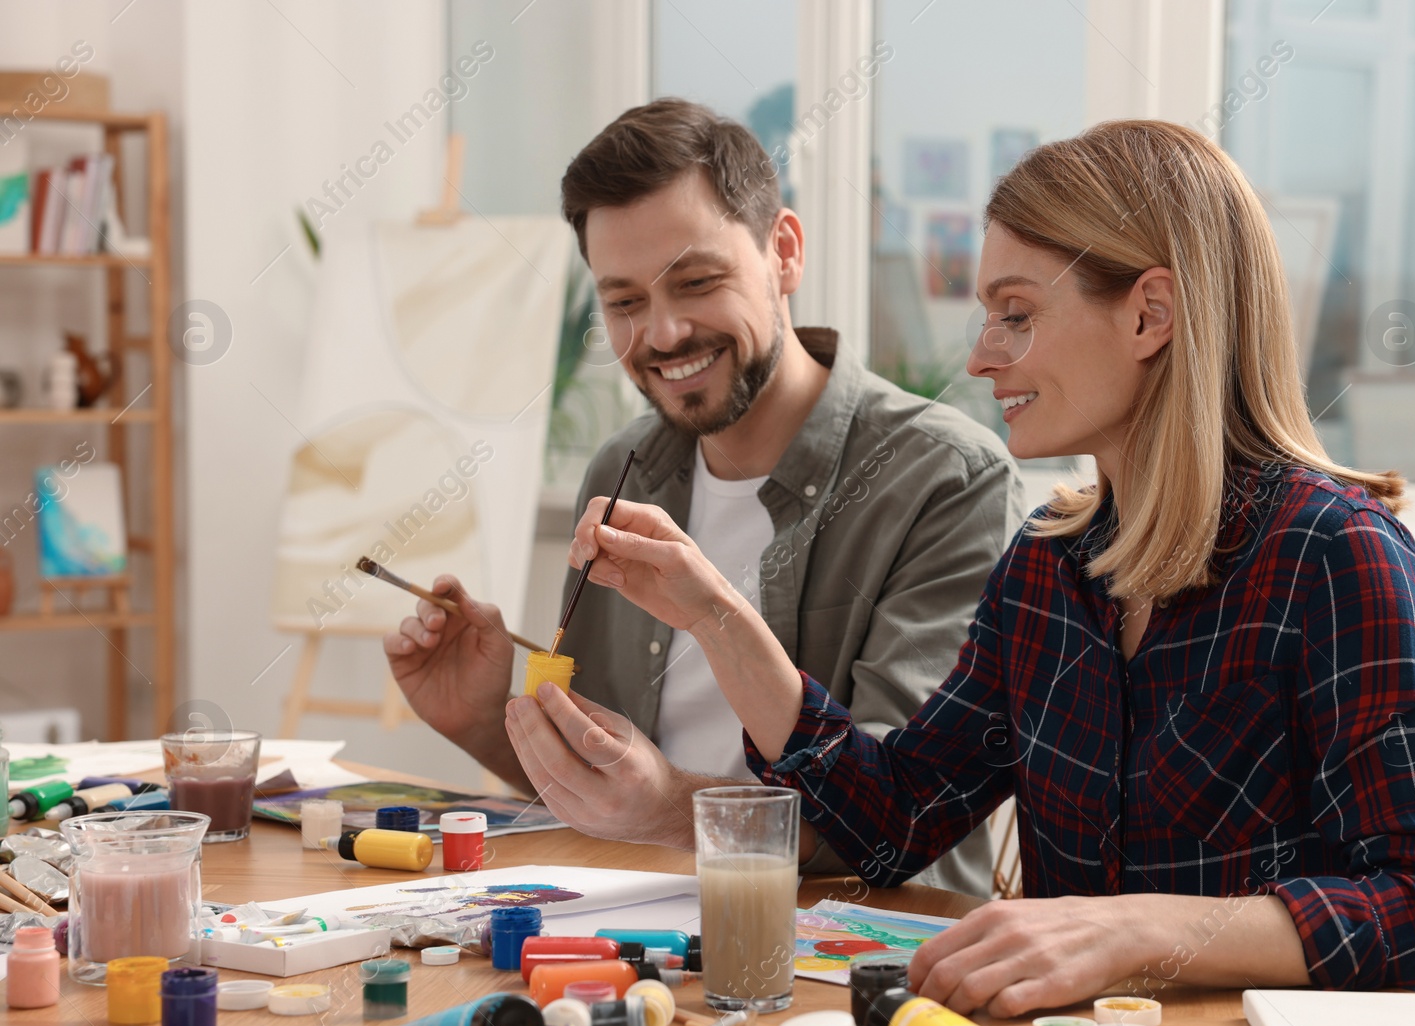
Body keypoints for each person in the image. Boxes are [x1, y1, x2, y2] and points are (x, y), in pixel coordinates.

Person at [523, 119, 1415, 1016]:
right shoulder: (1051, 565)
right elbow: (891, 818)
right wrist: (717, 616)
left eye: (1017, 315)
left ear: (1148, 314)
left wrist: (1138, 929)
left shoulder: (1334, 555)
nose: (983, 356)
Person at [383, 98, 1024, 899]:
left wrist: (669, 809)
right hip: (642, 928)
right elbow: (611, 790)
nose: (662, 333)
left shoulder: (946, 479)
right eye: (624, 302)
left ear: (783, 252)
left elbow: (898, 813)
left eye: (696, 281)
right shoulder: (623, 471)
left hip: (855, 957)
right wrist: (481, 718)